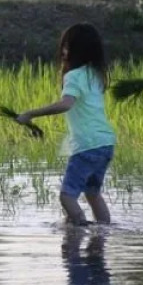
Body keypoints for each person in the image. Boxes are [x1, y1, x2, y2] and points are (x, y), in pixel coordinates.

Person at [16, 24, 116, 226]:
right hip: (106, 143)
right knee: (92, 193)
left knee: (67, 197)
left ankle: (80, 232)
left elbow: (66, 104)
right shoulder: (95, 74)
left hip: (87, 145)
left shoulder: (74, 76)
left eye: (66, 46)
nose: (63, 51)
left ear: (75, 50)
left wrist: (30, 114)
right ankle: (103, 234)